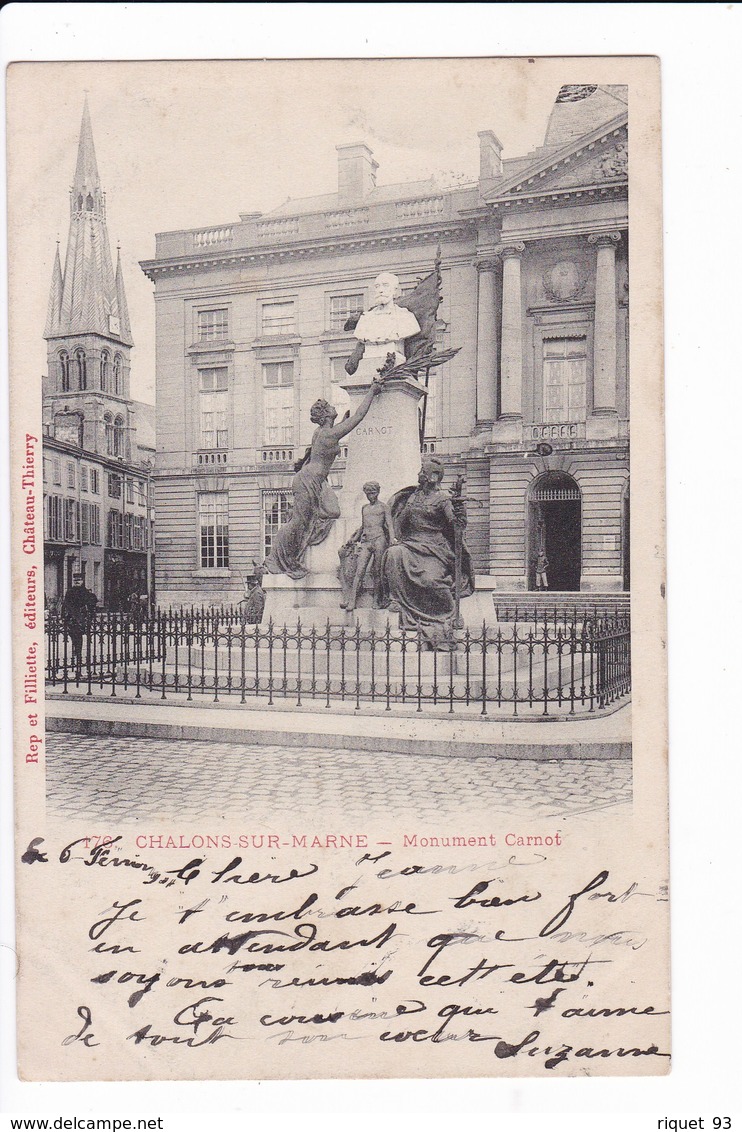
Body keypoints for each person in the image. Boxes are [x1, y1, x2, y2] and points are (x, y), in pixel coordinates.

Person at [264, 382, 384, 580]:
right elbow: (358, 417)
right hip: (308, 481)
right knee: (298, 523)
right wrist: (371, 391)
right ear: (327, 414)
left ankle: (308, 534)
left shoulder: (322, 431)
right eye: (330, 406)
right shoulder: (329, 433)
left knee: (333, 511)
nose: (333, 406)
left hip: (317, 481)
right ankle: (277, 559)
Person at [380, 456, 474, 647]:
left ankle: (447, 610)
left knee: (431, 580)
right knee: (393, 554)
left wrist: (459, 512)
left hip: (434, 549)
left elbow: (456, 526)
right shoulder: (413, 496)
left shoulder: (443, 500)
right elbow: (401, 521)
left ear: (433, 477)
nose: (418, 474)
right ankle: (396, 599)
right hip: (411, 544)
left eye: (423, 472)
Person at [346, 272, 421, 375]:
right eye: (377, 286)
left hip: (395, 362)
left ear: (395, 290)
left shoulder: (406, 317)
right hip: (368, 363)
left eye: (385, 285)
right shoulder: (365, 319)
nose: (380, 290)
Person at [339, 482, 395, 611]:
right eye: (368, 493)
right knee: (360, 570)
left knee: (377, 571)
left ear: (378, 492)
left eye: (373, 493)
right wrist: (353, 538)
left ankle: (376, 600)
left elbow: (390, 525)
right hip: (366, 540)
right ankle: (351, 601)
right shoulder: (365, 508)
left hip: (379, 540)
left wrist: (392, 539)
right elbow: (363, 526)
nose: (371, 496)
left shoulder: (384, 507)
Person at [61, 571, 97, 671]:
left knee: (80, 637)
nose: (77, 582)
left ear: (82, 581)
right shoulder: (70, 591)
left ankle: (79, 654)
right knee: (73, 636)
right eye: (75, 580)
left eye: (79, 580)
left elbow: (91, 603)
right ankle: (76, 652)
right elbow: (65, 604)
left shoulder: (85, 592)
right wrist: (65, 616)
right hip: (72, 618)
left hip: (81, 618)